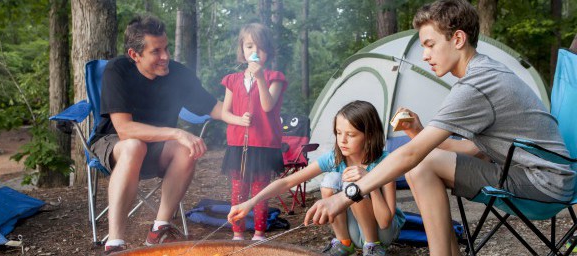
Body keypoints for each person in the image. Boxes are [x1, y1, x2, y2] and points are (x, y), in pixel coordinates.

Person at [303, 1, 575, 255]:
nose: (424, 56)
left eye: (430, 45)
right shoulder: (486, 72)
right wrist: (419, 132)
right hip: (547, 179)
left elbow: (412, 155)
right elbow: (471, 149)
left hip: (542, 185)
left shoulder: (476, 85)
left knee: (421, 164)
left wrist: (348, 195)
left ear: (457, 39)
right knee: (424, 161)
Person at [88, 16, 223, 254]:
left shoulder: (178, 74)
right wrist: (176, 132)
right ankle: (115, 243)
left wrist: (249, 115)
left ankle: (159, 229)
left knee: (185, 148)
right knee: (134, 146)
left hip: (159, 149)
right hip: (116, 145)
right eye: (156, 51)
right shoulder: (117, 70)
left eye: (166, 48)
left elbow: (215, 107)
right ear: (134, 55)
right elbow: (125, 129)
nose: (165, 57)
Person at [228, 101, 405, 256]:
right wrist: (250, 202)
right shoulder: (335, 158)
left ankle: (372, 247)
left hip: (382, 234)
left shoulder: (384, 162)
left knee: (353, 183)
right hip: (355, 230)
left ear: (369, 135)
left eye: (350, 135)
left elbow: (384, 221)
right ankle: (344, 244)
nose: (342, 140)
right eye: (338, 132)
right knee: (331, 180)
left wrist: (369, 182)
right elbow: (288, 182)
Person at [219, 23, 288, 241]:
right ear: (242, 49)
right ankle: (237, 233)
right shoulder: (232, 80)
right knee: (239, 189)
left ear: (268, 51)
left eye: (260, 48)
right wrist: (239, 120)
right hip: (238, 143)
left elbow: (268, 106)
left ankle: (259, 233)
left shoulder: (274, 77)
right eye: (249, 46)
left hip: (264, 143)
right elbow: (224, 113)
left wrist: (259, 78)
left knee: (260, 190)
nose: (255, 53)